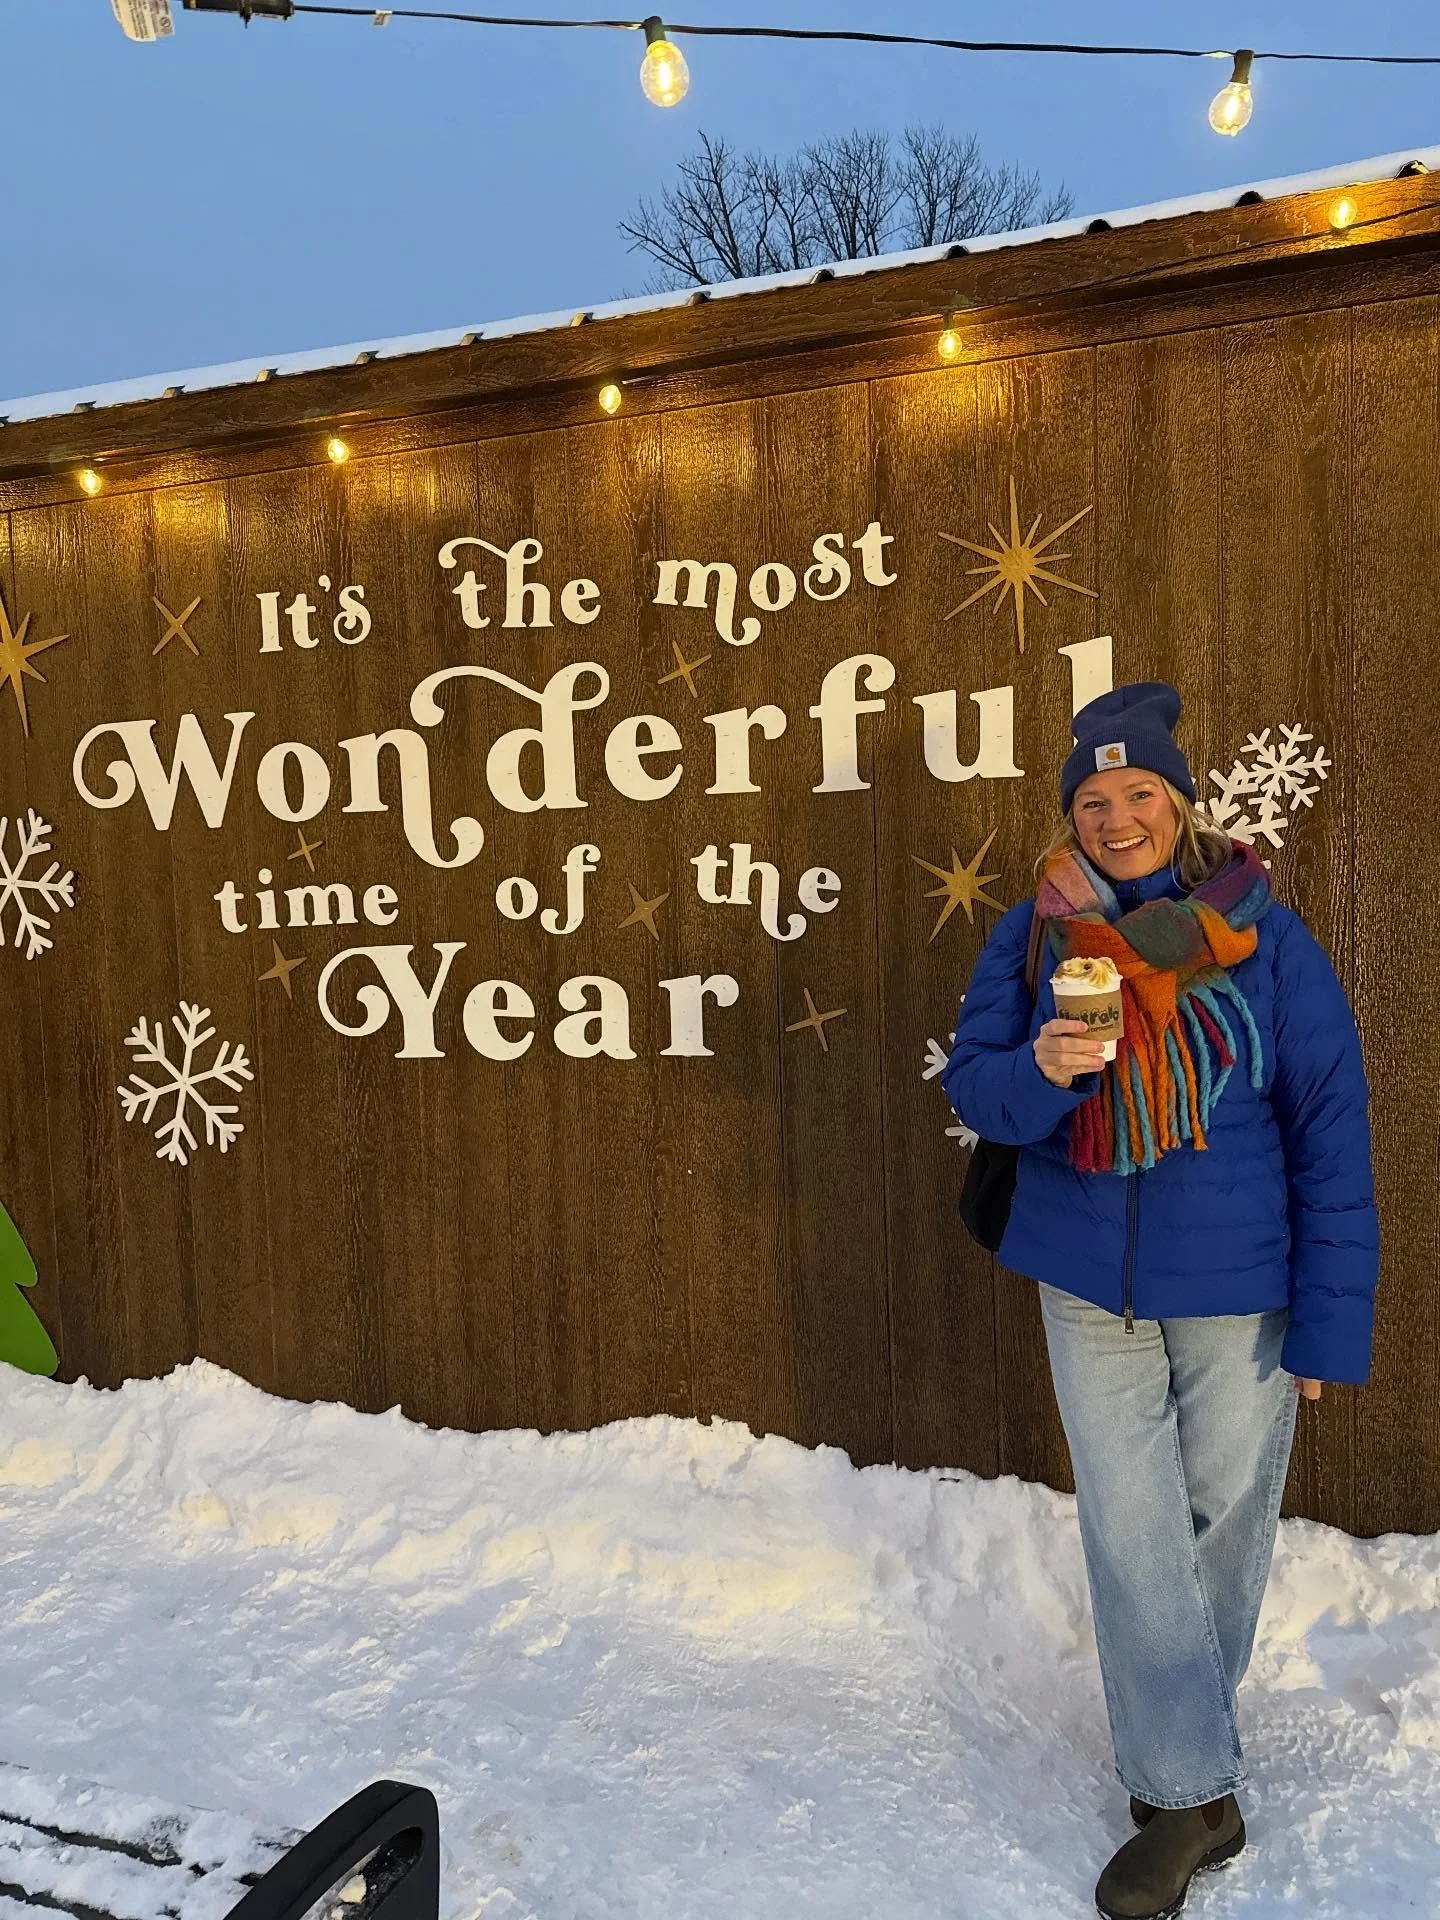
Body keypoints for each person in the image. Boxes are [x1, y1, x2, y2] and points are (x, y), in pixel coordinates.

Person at [942, 682, 1378, 1920]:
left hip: (1241, 1290)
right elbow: (982, 1094)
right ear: (1071, 818)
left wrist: (1330, 1318)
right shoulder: (1037, 936)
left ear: (1179, 806)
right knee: (1134, 1532)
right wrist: (1039, 1067)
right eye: (1093, 799)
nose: (1117, 817)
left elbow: (1328, 1130)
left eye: (1139, 794)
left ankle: (1182, 1772)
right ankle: (1192, 1796)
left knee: (1223, 1525)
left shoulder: (1265, 939)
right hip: (1087, 1287)